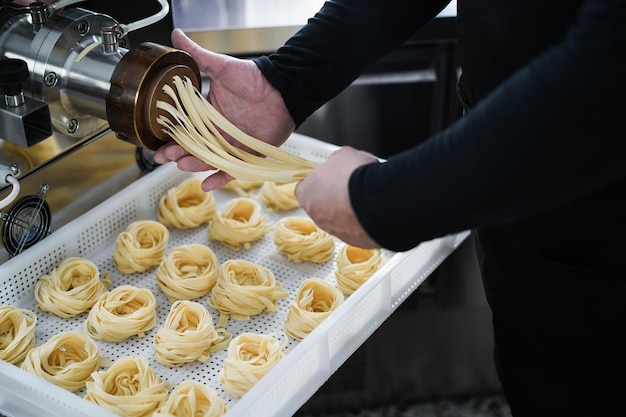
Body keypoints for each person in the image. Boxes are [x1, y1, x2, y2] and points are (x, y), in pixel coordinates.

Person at [154, 1, 626, 415]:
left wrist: (383, 202)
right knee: (542, 372)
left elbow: (607, 76)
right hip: (518, 196)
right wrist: (288, 81)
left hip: (602, 213)